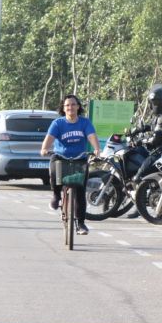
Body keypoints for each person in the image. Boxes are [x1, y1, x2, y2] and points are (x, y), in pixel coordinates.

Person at [40, 94, 100, 235]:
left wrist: (97, 149)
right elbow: (49, 139)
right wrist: (44, 148)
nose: (70, 107)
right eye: (67, 105)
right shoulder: (58, 123)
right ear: (63, 108)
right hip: (61, 157)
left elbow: (91, 136)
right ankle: (56, 195)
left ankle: (81, 224)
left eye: (73, 104)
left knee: (80, 191)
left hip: (79, 158)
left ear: (78, 107)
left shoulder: (84, 123)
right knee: (55, 170)